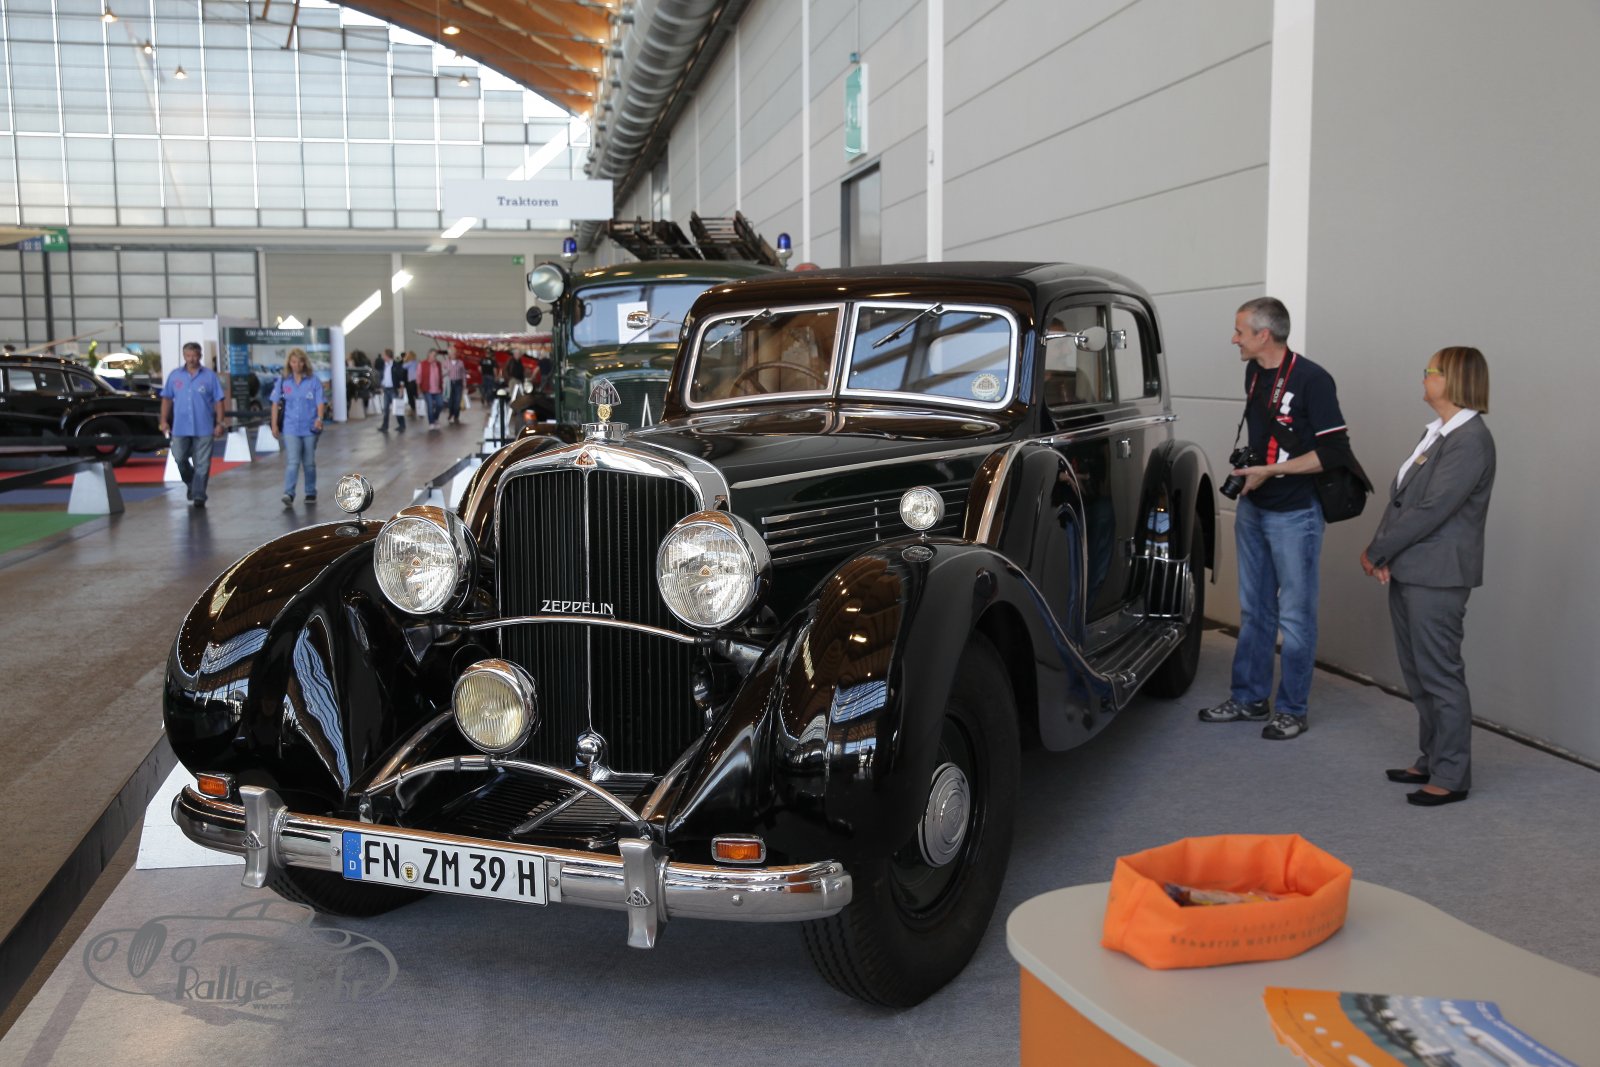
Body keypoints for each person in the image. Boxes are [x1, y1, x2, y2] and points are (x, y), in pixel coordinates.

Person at [1197, 297, 1352, 741]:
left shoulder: (1313, 380)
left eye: (1240, 331)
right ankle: (1249, 698)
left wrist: (1272, 471)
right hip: (1254, 508)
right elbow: (1266, 437)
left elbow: (1332, 453)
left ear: (1264, 334)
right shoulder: (1254, 372)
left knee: (1296, 618)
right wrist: (1254, 471)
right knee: (1255, 610)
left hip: (1296, 515)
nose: (1234, 339)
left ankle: (1292, 710)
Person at [1362, 347, 1495, 806]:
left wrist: (1378, 550)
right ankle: (1432, 758)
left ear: (1454, 379)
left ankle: (1452, 775)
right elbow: (1403, 501)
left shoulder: (1470, 440)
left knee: (1440, 675)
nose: (1423, 377)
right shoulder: (1438, 433)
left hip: (1438, 575)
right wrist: (1386, 552)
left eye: (1430, 371)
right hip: (1411, 567)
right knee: (1419, 673)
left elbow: (1432, 509)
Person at [158, 341, 226, 509]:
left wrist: (220, 422)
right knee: (179, 458)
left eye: (194, 355)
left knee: (202, 464)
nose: (191, 359)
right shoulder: (175, 376)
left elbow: (219, 401)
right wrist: (163, 420)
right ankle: (192, 484)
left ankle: (198, 495)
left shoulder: (210, 376)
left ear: (200, 356)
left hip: (204, 427)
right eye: (188, 355)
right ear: (184, 356)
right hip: (180, 428)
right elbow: (167, 399)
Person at [270, 347, 326, 506]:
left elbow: (320, 402)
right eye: (293, 362)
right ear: (289, 363)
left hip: (310, 428)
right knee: (293, 461)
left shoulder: (313, 381)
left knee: (309, 462)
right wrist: (274, 424)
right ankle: (289, 493)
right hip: (290, 428)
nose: (297, 365)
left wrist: (319, 418)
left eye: (300, 362)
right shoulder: (283, 381)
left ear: (304, 363)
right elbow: (275, 403)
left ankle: (310, 491)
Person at [375, 348, 406, 432]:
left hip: (393, 389)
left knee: (397, 407)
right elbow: (382, 376)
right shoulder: (383, 365)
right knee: (385, 409)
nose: (383, 357)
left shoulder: (396, 365)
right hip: (386, 389)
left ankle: (402, 425)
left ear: (387, 355)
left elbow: (401, 377)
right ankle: (384, 426)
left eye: (384, 355)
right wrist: (381, 385)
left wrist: (401, 388)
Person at [419, 348, 444, 429]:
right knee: (430, 406)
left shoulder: (438, 364)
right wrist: (418, 388)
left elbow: (440, 375)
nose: (435, 357)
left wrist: (441, 385)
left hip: (437, 389)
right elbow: (418, 376)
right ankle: (431, 422)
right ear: (429, 355)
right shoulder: (422, 364)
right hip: (427, 389)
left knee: (440, 404)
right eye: (433, 355)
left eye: (436, 355)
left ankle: (435, 418)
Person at [445, 348, 466, 425]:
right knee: (450, 400)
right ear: (449, 355)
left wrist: (464, 383)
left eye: (455, 353)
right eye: (452, 353)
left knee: (457, 400)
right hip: (449, 383)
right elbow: (443, 373)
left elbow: (463, 373)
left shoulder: (460, 363)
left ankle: (456, 416)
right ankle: (451, 413)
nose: (454, 354)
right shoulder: (446, 363)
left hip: (458, 383)